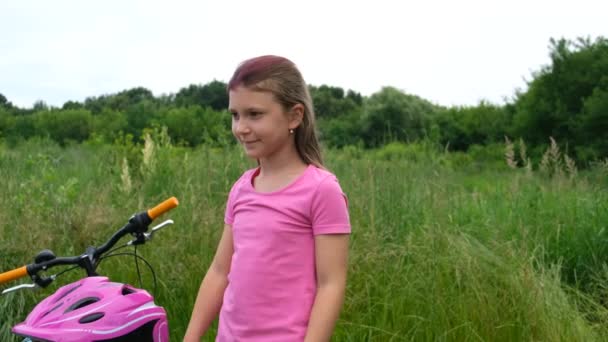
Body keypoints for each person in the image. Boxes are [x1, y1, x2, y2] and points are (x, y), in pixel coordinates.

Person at [184, 55, 351, 342]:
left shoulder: (322, 190)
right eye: (235, 115)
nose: (241, 128)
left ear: (294, 116)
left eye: (254, 114)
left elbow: (331, 285)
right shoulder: (241, 190)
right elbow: (219, 271)